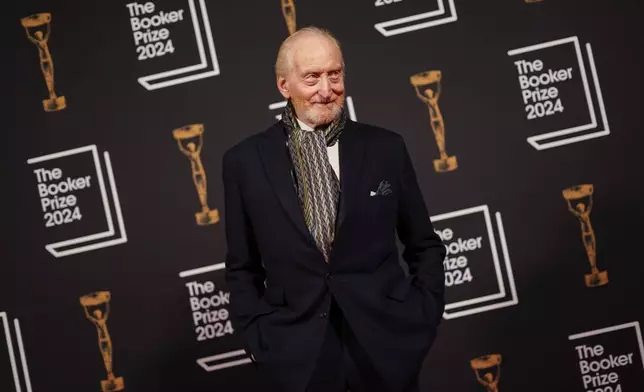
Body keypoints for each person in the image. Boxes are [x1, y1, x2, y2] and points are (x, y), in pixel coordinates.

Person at [222, 26, 446, 392]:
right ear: (284, 86)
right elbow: (242, 268)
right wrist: (259, 341)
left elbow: (424, 245)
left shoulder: (386, 148)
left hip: (385, 347)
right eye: (312, 77)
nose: (326, 90)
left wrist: (421, 316)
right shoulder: (244, 162)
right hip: (295, 357)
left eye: (334, 74)